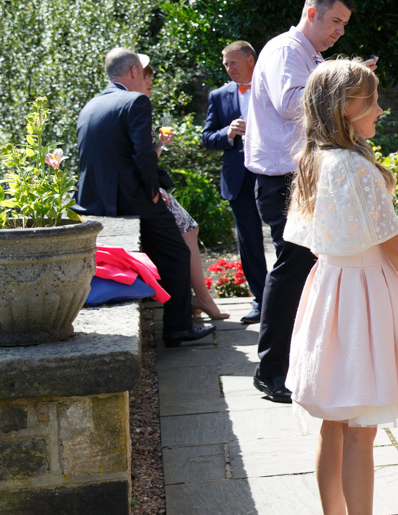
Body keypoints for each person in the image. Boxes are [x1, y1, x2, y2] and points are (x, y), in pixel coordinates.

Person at [284, 59, 398, 515]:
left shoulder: (314, 159)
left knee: (334, 420)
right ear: (343, 107)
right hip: (360, 295)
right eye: (370, 99)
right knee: (360, 428)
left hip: (330, 286)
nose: (379, 109)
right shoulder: (355, 168)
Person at [246, 0, 370, 404]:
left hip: (301, 174)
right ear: (311, 13)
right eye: (335, 21)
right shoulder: (286, 50)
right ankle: (270, 371)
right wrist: (345, 85)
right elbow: (290, 104)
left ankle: (292, 365)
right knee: (292, 269)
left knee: (303, 268)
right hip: (284, 179)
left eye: (344, 24)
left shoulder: (310, 56)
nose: (340, 31)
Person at [75, 48, 213, 347]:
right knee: (177, 254)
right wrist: (153, 193)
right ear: (134, 71)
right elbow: (143, 155)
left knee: (161, 252)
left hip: (94, 200)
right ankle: (177, 328)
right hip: (131, 198)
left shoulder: (91, 104)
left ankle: (173, 317)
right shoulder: (135, 101)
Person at [134, 55, 227, 322]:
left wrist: (160, 146)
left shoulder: (138, 106)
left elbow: (148, 158)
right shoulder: (135, 107)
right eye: (146, 77)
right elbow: (139, 163)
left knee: (190, 230)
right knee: (188, 232)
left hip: (150, 189)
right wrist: (155, 191)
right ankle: (201, 299)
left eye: (151, 77)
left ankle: (201, 298)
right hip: (147, 193)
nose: (150, 82)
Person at [202, 41, 267, 325]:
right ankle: (261, 300)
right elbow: (207, 138)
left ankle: (292, 297)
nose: (229, 69)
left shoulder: (270, 87)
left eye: (234, 63)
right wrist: (227, 133)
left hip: (272, 173)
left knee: (286, 236)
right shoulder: (218, 96)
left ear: (251, 60)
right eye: (226, 64)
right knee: (249, 240)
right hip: (238, 179)